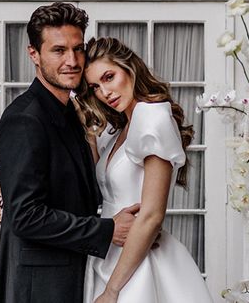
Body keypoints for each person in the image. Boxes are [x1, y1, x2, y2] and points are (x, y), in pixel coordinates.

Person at [0, 2, 139, 303]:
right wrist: (107, 230)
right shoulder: (24, 119)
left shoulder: (70, 112)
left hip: (76, 275)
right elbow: (25, 216)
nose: (72, 60)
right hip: (40, 287)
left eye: (78, 49)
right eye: (58, 50)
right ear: (33, 53)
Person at [78, 37, 214, 303]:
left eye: (109, 77)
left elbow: (151, 215)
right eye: (95, 86)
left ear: (130, 68)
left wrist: (112, 291)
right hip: (107, 255)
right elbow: (100, 184)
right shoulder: (115, 130)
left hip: (138, 263)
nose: (104, 92)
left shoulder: (151, 119)